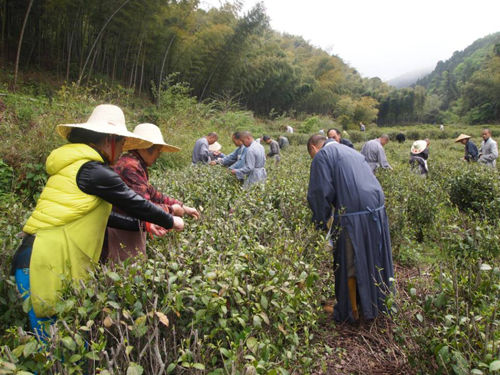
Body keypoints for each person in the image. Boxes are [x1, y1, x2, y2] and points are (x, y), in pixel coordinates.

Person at [11, 105, 184, 338]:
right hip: (42, 262)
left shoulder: (78, 166)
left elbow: (103, 215)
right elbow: (135, 202)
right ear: (109, 140)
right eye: (122, 142)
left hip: (38, 258)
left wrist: (142, 225)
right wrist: (170, 220)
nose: (123, 148)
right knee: (54, 349)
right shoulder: (93, 171)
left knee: (62, 344)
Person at [306, 134, 393, 323]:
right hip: (376, 206)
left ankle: (351, 310)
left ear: (314, 148)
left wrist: (320, 224)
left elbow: (319, 193)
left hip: (355, 212)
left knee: (349, 260)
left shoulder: (322, 156)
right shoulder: (348, 149)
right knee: (372, 256)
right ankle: (374, 303)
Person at [105, 123, 200, 263]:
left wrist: (183, 207)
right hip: (123, 228)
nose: (159, 155)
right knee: (127, 269)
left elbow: (153, 193)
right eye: (158, 151)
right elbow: (141, 205)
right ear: (148, 148)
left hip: (130, 225)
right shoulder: (130, 166)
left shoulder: (136, 163)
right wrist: (171, 211)